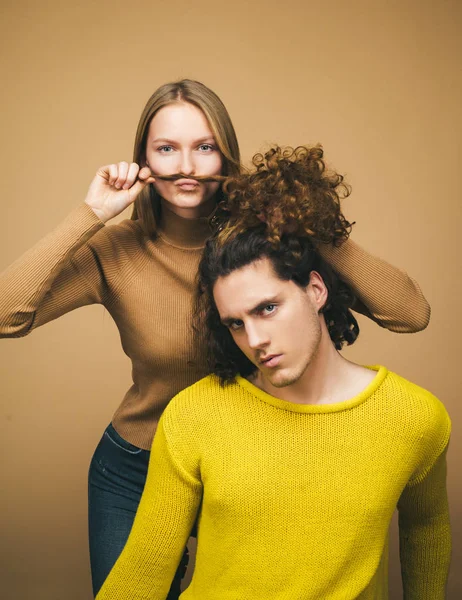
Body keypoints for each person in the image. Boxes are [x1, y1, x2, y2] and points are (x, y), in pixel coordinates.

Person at [0, 81, 431, 597]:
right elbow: (7, 315)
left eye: (204, 147)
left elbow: (410, 313)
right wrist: (89, 215)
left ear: (226, 153)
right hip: (137, 465)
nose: (187, 166)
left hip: (252, 463)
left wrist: (309, 222)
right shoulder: (115, 250)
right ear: (143, 160)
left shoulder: (269, 238)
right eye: (166, 149)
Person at [96, 146, 451, 600]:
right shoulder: (193, 416)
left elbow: (426, 530)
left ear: (316, 290)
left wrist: (313, 228)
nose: (255, 339)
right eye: (237, 324)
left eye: (268, 308)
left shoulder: (414, 418)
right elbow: (142, 573)